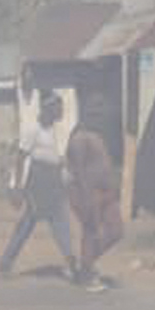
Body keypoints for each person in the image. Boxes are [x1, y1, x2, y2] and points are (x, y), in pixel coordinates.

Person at [0, 92, 80, 282]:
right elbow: (20, 158)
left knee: (57, 221)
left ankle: (71, 261)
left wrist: (66, 173)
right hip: (37, 183)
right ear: (48, 110)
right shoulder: (32, 130)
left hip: (52, 181)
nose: (61, 112)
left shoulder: (53, 130)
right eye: (58, 109)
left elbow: (54, 157)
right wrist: (17, 188)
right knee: (32, 224)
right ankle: (5, 264)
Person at [66, 110, 124, 293]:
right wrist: (87, 197)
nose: (101, 114)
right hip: (89, 193)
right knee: (90, 232)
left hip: (106, 192)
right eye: (95, 109)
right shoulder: (79, 138)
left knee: (116, 231)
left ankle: (85, 266)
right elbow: (80, 171)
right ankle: (86, 275)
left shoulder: (97, 136)